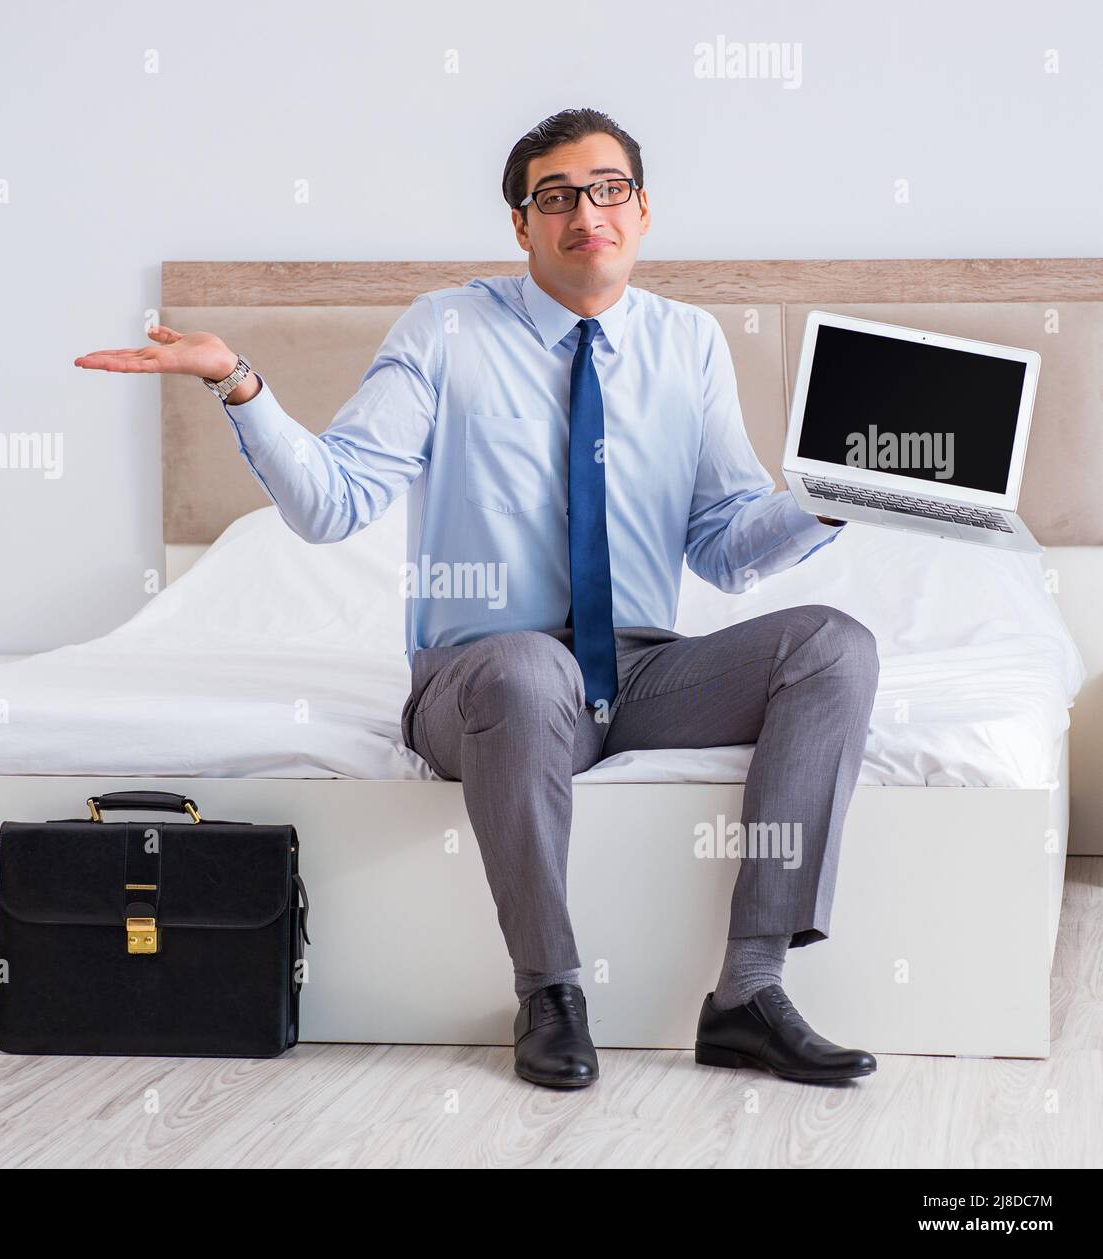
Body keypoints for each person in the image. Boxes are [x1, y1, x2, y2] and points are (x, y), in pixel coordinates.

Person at [75, 106, 879, 1090]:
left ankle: (749, 992)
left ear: (642, 210)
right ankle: (550, 989)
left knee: (834, 643)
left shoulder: (689, 342)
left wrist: (832, 492)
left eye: (608, 188)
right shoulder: (447, 327)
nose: (586, 210)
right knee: (526, 662)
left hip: (639, 672)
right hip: (481, 681)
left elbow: (722, 547)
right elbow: (335, 504)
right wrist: (236, 382)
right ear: (521, 225)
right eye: (556, 196)